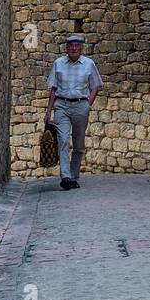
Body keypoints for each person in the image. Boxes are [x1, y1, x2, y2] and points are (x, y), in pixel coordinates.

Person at [45, 34, 104, 190]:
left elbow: (96, 86)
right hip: (62, 105)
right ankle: (65, 176)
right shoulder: (58, 63)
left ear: (81, 48)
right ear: (66, 47)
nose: (74, 48)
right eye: (71, 45)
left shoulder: (88, 64)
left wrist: (87, 105)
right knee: (63, 140)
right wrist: (48, 111)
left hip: (80, 106)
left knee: (78, 144)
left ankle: (73, 175)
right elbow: (53, 89)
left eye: (77, 45)